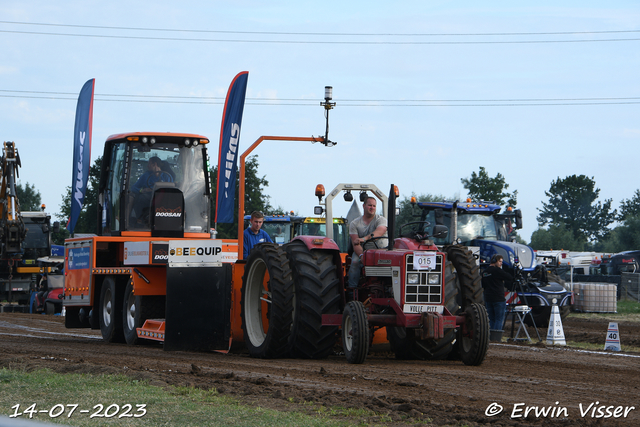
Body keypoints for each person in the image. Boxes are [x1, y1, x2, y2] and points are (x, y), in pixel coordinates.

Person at [348, 197, 388, 288]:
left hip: (382, 251)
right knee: (355, 262)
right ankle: (352, 290)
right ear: (364, 206)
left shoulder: (381, 220)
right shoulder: (354, 223)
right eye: (370, 205)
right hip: (363, 252)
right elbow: (356, 243)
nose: (372, 207)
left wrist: (364, 239)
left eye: (374, 206)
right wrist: (362, 256)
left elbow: (379, 232)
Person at [131, 156, 174, 224]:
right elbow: (133, 187)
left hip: (164, 198)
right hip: (148, 198)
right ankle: (140, 219)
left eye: (149, 164)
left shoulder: (167, 176)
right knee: (140, 198)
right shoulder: (145, 176)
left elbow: (171, 189)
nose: (148, 166)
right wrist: (142, 190)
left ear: (155, 164)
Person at [481, 254, 514, 331]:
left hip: (488, 299)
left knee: (491, 319)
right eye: (500, 261)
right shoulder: (497, 271)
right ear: (494, 261)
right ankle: (496, 337)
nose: (501, 263)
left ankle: (491, 337)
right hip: (498, 299)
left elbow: (483, 285)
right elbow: (509, 277)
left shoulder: (485, 272)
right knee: (499, 319)